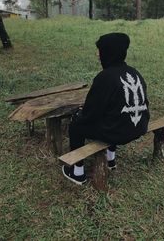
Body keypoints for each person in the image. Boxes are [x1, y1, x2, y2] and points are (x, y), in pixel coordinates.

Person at [62, 32, 150, 185]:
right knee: (113, 114)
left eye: (100, 50)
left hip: (118, 131)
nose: (97, 54)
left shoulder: (105, 77)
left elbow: (90, 114)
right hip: (139, 127)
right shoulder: (135, 73)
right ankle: (111, 160)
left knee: (76, 124)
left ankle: (77, 172)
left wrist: (78, 115)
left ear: (108, 53)